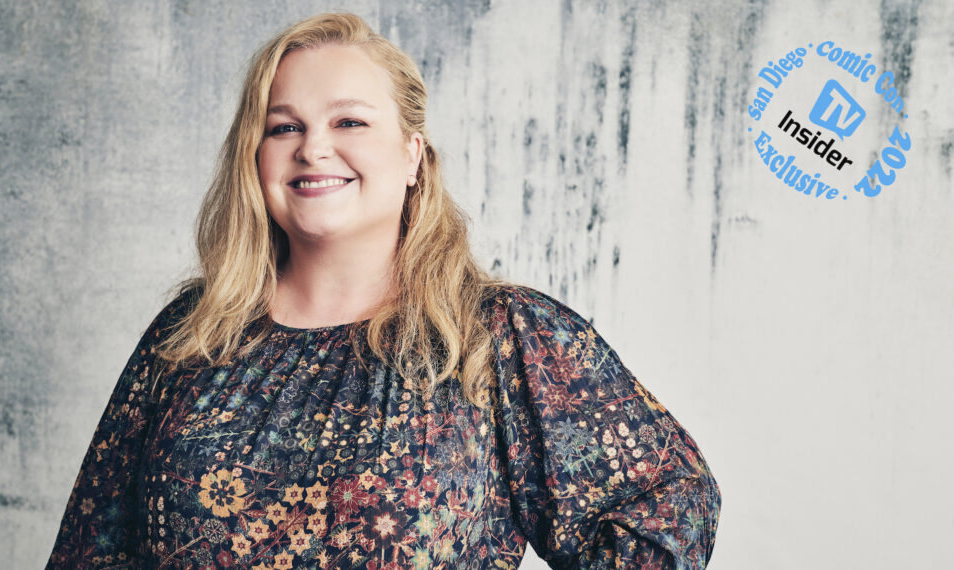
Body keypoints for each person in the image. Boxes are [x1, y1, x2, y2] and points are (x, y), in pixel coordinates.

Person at [45, 12, 720, 570]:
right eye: (284, 127)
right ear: (255, 157)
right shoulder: (191, 335)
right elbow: (91, 552)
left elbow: (666, 506)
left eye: (349, 123)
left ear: (411, 156)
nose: (313, 149)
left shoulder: (499, 334)